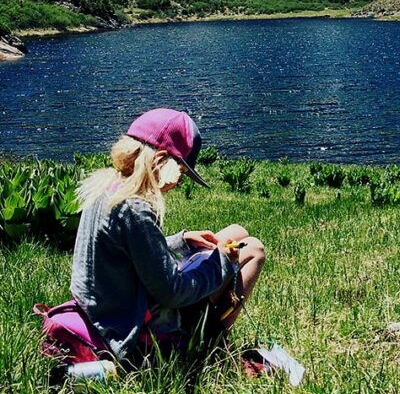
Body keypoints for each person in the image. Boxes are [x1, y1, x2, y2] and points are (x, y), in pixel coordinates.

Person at [70, 108, 265, 362]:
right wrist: (223, 263)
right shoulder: (135, 209)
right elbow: (172, 292)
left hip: (106, 312)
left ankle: (208, 334)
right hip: (128, 333)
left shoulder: (108, 187)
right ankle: (208, 345)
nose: (178, 182)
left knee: (236, 233)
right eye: (180, 172)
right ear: (160, 159)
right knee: (253, 250)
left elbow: (127, 250)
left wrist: (181, 241)